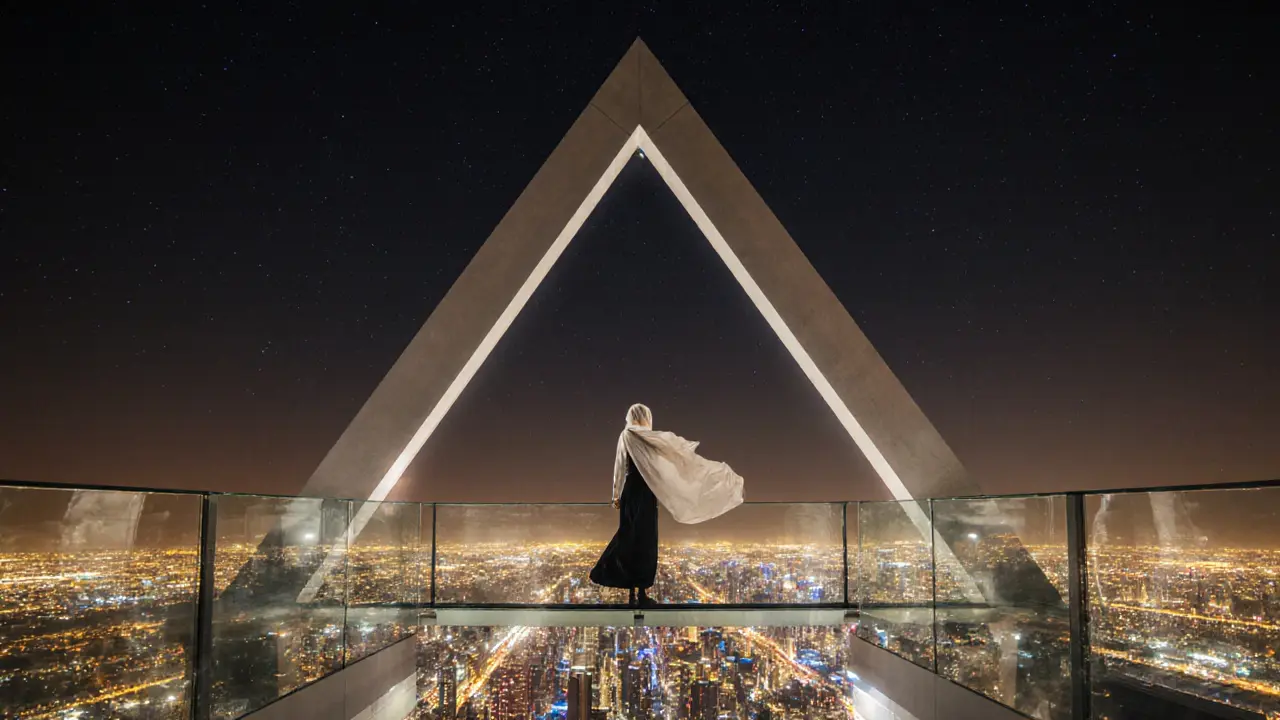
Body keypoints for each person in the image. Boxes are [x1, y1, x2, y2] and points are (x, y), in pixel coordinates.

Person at [590, 403, 745, 607]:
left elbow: (620, 466)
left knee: (629, 535)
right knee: (646, 539)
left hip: (631, 491)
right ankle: (641, 592)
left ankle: (629, 590)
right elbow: (662, 464)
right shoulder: (650, 438)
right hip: (647, 492)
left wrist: (616, 494)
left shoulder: (627, 435)